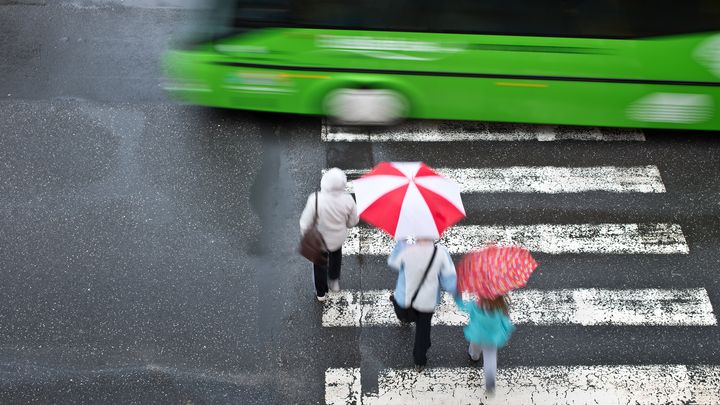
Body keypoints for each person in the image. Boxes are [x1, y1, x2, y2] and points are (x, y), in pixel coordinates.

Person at [388, 238, 457, 370]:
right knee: (423, 329)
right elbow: (449, 281)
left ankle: (404, 317)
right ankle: (419, 360)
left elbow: (393, 263)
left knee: (402, 310)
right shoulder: (441, 253)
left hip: (407, 297)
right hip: (427, 300)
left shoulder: (406, 250)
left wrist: (400, 244)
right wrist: (455, 293)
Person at [299, 168, 358, 302]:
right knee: (336, 259)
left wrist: (305, 234)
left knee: (319, 266)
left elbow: (305, 222)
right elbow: (353, 221)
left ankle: (321, 293)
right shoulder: (348, 200)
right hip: (337, 239)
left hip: (319, 241)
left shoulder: (315, 199)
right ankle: (334, 282)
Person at [454, 294, 515, 395]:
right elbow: (505, 319)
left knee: (474, 346)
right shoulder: (501, 307)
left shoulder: (476, 305)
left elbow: (464, 307)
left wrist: (458, 298)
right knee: (490, 357)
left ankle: (474, 356)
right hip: (492, 337)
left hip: (477, 334)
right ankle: (490, 381)